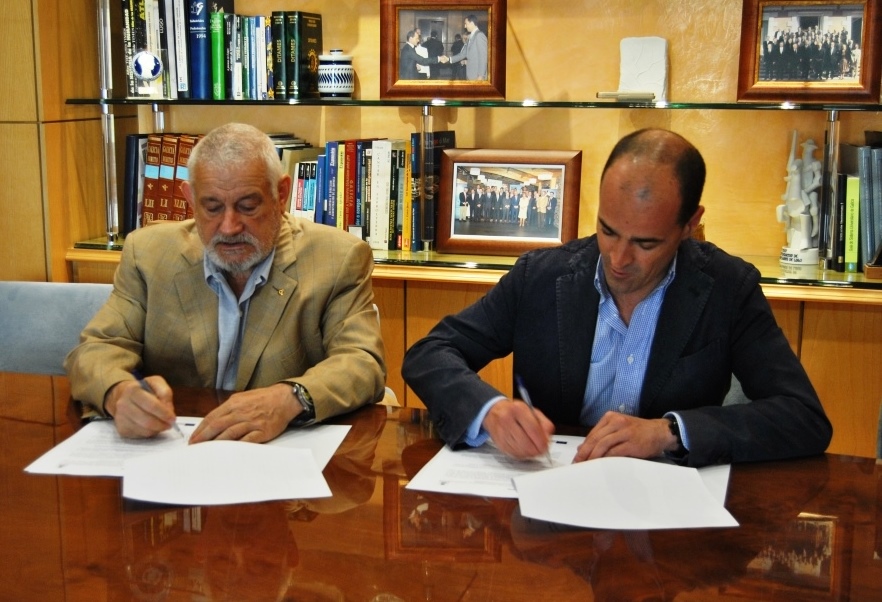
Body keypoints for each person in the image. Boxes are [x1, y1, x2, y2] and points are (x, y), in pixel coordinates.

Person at [402, 128, 832, 468]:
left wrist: (670, 432)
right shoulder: (542, 277)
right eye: (608, 230)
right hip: (551, 503)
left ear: (690, 225)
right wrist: (490, 410)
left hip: (664, 517)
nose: (619, 259)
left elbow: (802, 417)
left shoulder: (728, 289)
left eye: (646, 243)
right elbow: (430, 353)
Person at [65, 123, 387, 444]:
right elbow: (95, 350)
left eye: (248, 206)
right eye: (213, 208)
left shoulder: (337, 259)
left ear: (281, 194)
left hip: (278, 452)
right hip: (176, 448)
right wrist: (118, 393)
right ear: (190, 198)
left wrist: (291, 398)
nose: (230, 227)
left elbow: (362, 363)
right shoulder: (148, 254)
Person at [445, 15, 488, 80]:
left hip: (477, 76)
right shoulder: (471, 37)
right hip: (470, 74)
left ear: (472, 23)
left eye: (466, 24)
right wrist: (448, 59)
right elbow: (463, 54)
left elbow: (483, 58)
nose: (465, 26)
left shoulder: (479, 35)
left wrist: (481, 76)